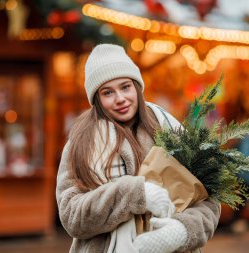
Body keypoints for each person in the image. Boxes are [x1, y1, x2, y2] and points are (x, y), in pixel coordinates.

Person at [56, 44, 220, 253]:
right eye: (108, 92)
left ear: (136, 87)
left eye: (125, 87)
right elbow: (72, 216)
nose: (120, 98)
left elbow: (209, 197)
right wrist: (135, 193)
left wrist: (181, 231)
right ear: (97, 99)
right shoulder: (81, 142)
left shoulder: (171, 130)